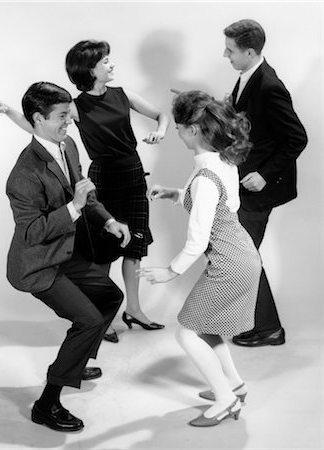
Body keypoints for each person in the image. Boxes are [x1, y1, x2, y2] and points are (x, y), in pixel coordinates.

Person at [0, 39, 170, 342]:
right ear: (89, 68)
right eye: (105, 61)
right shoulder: (74, 106)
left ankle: (134, 309)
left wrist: (160, 131)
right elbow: (39, 127)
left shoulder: (122, 94)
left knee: (135, 246)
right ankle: (105, 315)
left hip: (133, 173)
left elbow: (161, 116)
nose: (111, 64)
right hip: (102, 177)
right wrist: (9, 111)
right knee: (102, 250)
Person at [0, 81, 130, 431]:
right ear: (38, 119)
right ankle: (47, 404)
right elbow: (31, 233)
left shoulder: (67, 144)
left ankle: (77, 359)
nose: (69, 121)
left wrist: (108, 219)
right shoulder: (24, 174)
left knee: (110, 296)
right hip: (38, 264)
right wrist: (73, 207)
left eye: (68, 113)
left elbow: (82, 191)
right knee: (88, 321)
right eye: (61, 116)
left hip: (64, 251)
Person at [139, 90, 262, 427]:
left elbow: (197, 240)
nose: (176, 133)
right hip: (241, 255)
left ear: (193, 130)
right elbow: (222, 204)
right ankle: (235, 386)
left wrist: (170, 271)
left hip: (229, 264)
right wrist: (176, 194)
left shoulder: (206, 175)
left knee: (187, 333)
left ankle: (225, 400)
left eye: (179, 127)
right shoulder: (219, 161)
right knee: (204, 327)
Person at [222, 19, 308, 347]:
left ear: (249, 51)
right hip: (244, 181)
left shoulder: (270, 85)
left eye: (230, 50)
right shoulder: (247, 76)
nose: (225, 55)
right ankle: (263, 324)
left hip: (259, 186)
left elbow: (297, 138)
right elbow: (247, 118)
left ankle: (269, 328)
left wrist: (265, 174)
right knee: (242, 255)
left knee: (243, 256)